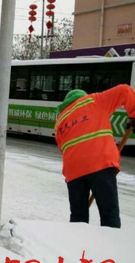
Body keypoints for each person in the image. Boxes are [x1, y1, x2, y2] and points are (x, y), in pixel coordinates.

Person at [55, 85, 135, 229]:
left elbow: (64, 148)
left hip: (73, 171)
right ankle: (109, 248)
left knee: (78, 217)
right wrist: (134, 114)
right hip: (100, 165)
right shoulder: (94, 100)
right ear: (83, 96)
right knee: (108, 213)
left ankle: (78, 247)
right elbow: (125, 90)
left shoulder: (60, 120)